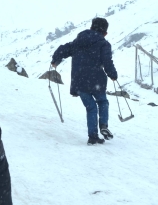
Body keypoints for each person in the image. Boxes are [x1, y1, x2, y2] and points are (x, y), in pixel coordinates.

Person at [51, 17, 118, 145]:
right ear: (105, 32)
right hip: (97, 81)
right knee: (103, 102)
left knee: (91, 108)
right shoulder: (103, 44)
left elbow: (63, 49)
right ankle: (103, 125)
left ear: (91, 28)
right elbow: (107, 62)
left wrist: (55, 60)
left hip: (80, 82)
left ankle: (93, 137)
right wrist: (113, 74)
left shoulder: (78, 41)